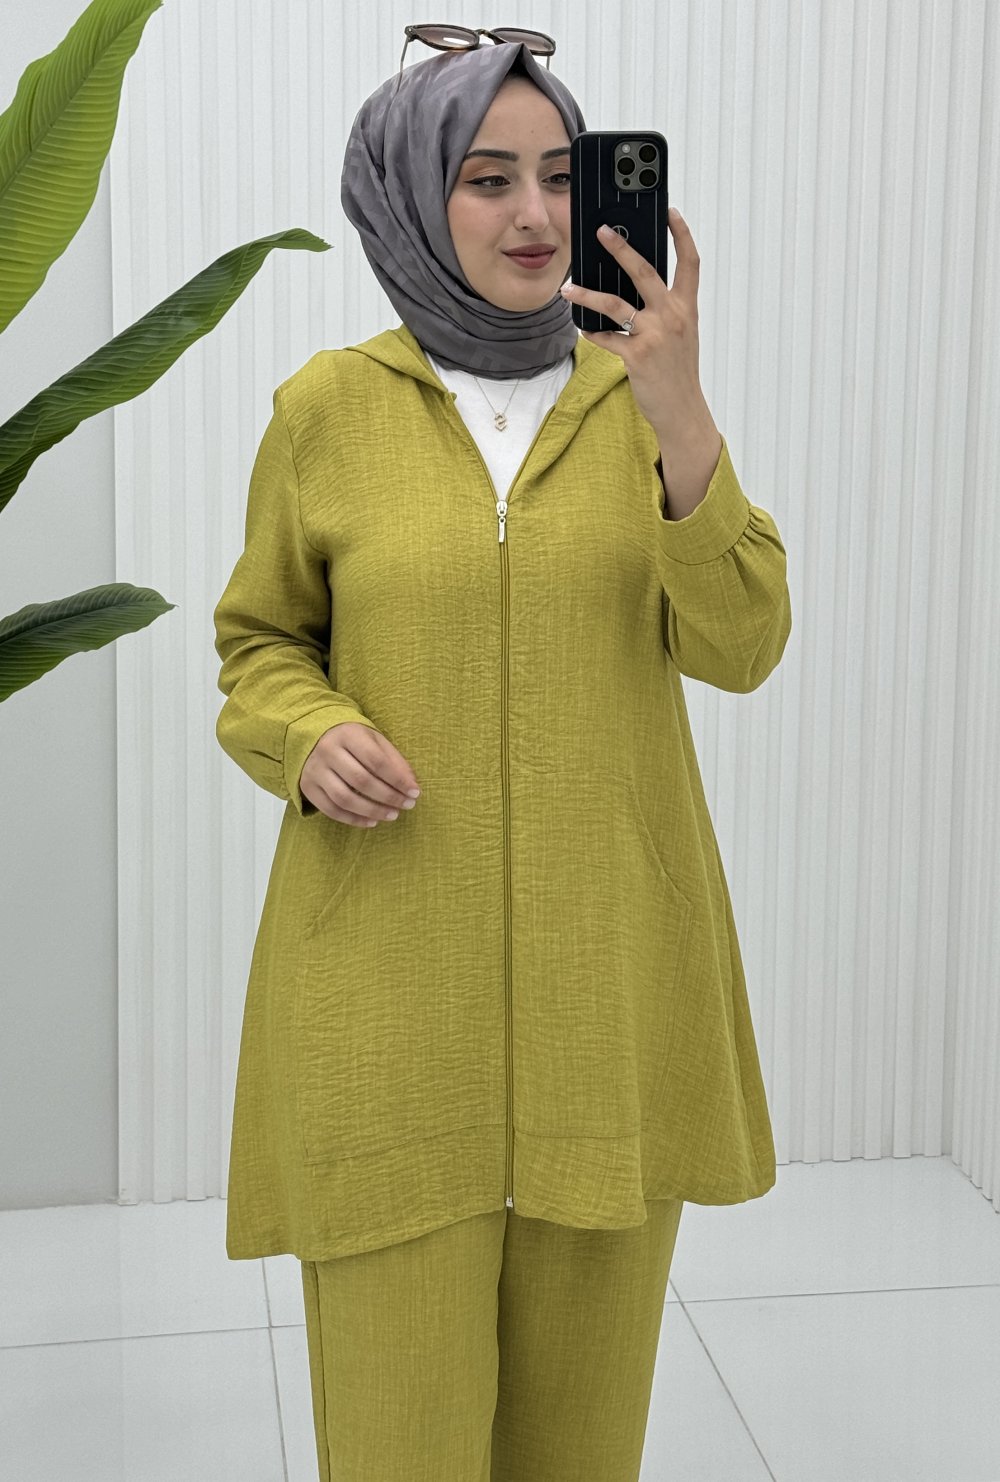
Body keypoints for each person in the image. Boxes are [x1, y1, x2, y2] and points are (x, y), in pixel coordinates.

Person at [213, 34, 792, 1482]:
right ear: (417, 196)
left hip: (612, 995)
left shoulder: (636, 404)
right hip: (385, 1008)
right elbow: (258, 643)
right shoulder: (325, 411)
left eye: (559, 176)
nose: (535, 215)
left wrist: (681, 415)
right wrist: (309, 734)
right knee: (396, 1447)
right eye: (487, 179)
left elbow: (742, 642)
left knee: (581, 1452)